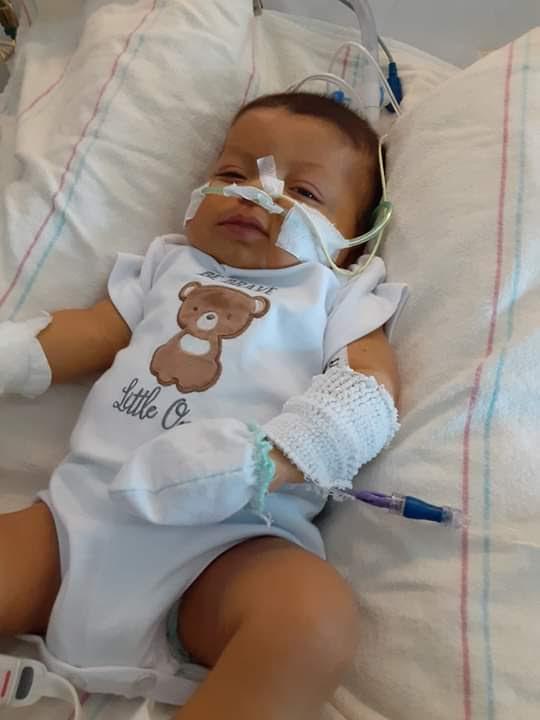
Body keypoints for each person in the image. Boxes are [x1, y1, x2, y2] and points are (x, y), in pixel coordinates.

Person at [0, 92, 405, 720]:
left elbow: (368, 391)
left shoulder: (336, 292)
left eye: (303, 191)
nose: (256, 195)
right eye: (234, 173)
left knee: (313, 621)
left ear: (353, 242)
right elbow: (86, 334)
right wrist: (14, 353)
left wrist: (269, 458)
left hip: (229, 544)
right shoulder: (167, 265)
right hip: (77, 522)